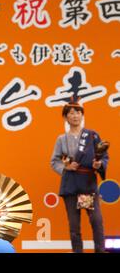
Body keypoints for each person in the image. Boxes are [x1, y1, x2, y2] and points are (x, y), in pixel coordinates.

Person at [51, 101, 109, 253]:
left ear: (82, 115)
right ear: (65, 117)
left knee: (96, 221)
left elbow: (103, 157)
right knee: (74, 225)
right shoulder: (61, 139)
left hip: (87, 185)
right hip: (71, 186)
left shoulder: (92, 135)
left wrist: (99, 165)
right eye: (70, 113)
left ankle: (100, 250)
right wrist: (66, 167)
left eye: (77, 112)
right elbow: (54, 161)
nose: (75, 116)